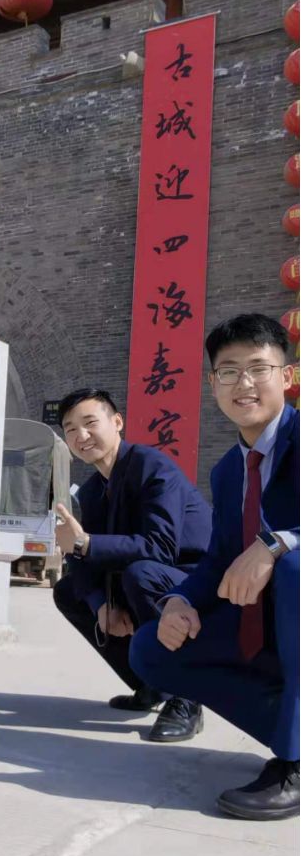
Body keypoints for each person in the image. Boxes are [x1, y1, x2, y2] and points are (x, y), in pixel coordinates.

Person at [130, 314, 299, 819]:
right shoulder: (228, 471)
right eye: (229, 371)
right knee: (153, 648)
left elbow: (272, 553)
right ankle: (293, 729)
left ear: (287, 376)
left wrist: (276, 545)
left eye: (258, 368)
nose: (244, 384)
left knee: (295, 569)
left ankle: (293, 764)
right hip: (265, 626)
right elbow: (219, 558)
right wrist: (179, 601)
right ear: (212, 384)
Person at [53, 388, 212, 742]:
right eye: (70, 429)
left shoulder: (152, 468)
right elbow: (84, 560)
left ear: (117, 422)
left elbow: (160, 547)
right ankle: (151, 683)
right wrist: (100, 604)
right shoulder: (93, 490)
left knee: (141, 574)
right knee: (69, 591)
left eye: (90, 423)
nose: (81, 435)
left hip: (195, 581)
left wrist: (86, 543)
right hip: (146, 577)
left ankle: (187, 697)